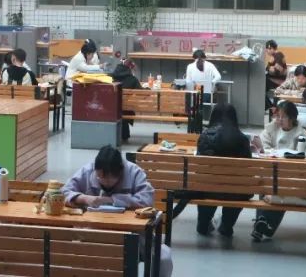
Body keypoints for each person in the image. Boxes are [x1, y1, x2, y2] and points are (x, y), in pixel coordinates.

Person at [62, 146, 173, 277]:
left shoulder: (134, 172)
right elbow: (63, 192)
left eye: (109, 179)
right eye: (100, 178)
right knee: (73, 253)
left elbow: (147, 199)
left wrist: (111, 200)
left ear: (120, 172)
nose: (105, 183)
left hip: (134, 234)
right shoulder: (88, 171)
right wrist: (85, 198)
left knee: (163, 257)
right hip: (93, 232)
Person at [250, 101, 306, 242]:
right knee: (266, 183)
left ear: (292, 118)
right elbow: (263, 146)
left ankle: (262, 222)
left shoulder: (302, 135)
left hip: (290, 176)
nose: (279, 120)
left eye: (283, 117)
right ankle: (263, 224)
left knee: (281, 190)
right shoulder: (271, 129)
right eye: (277, 116)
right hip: (270, 171)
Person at [193, 103, 252, 237]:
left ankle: (203, 223)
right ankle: (227, 224)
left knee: (206, 182)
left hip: (207, 190)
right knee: (238, 186)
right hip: (235, 192)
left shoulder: (204, 136)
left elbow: (200, 168)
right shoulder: (242, 139)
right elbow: (247, 169)